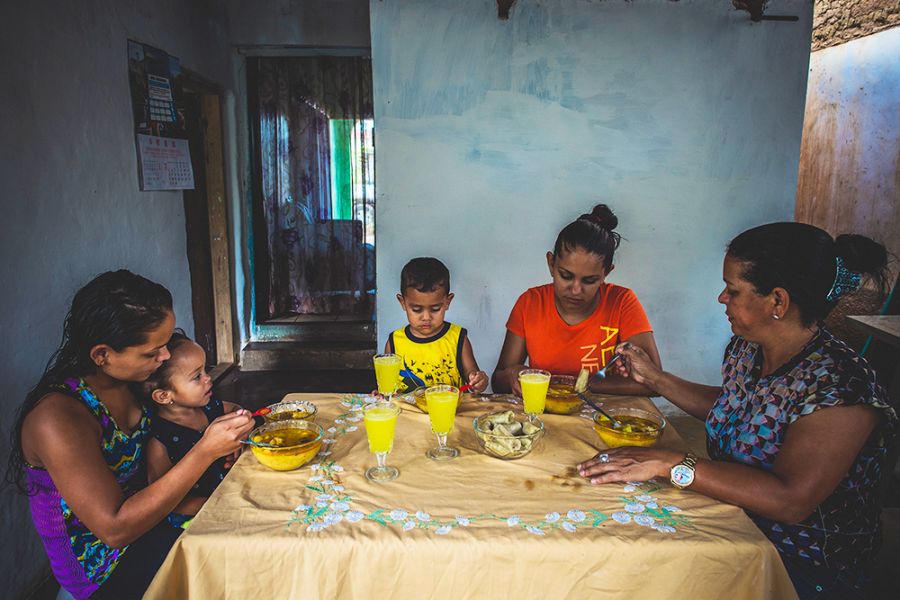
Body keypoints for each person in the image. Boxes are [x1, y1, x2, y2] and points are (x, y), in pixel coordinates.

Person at [577, 223, 896, 599]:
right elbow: (737, 409)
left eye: (733, 290)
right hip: (737, 521)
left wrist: (673, 464)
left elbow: (789, 500)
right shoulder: (746, 350)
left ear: (778, 301)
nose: (721, 298)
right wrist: (656, 379)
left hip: (799, 564)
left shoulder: (839, 386)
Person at [5, 270, 255, 600]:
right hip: (103, 564)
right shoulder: (58, 418)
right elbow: (114, 529)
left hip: (156, 519)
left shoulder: (136, 384)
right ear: (102, 355)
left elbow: (190, 420)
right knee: (238, 558)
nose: (165, 357)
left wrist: (227, 434)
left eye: (165, 346)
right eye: (152, 352)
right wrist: (206, 450)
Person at [492, 204, 661, 396]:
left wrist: (582, 385)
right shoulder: (530, 303)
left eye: (589, 280)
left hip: (607, 418)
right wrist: (513, 374)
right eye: (565, 276)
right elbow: (498, 382)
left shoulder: (621, 302)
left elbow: (654, 382)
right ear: (551, 264)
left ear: (606, 273)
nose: (575, 290)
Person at [142, 331, 242, 529]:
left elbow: (235, 409)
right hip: (193, 519)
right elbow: (165, 499)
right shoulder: (160, 441)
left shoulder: (208, 406)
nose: (208, 379)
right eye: (197, 376)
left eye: (205, 370)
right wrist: (215, 505)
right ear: (163, 396)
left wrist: (241, 428)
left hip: (229, 497)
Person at [386, 257, 489, 393]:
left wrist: (479, 380)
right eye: (417, 310)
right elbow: (388, 389)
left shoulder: (457, 338)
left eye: (435, 309)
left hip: (450, 412)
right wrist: (381, 394)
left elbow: (472, 376)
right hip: (408, 413)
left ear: (447, 302)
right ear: (402, 302)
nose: (426, 317)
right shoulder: (395, 341)